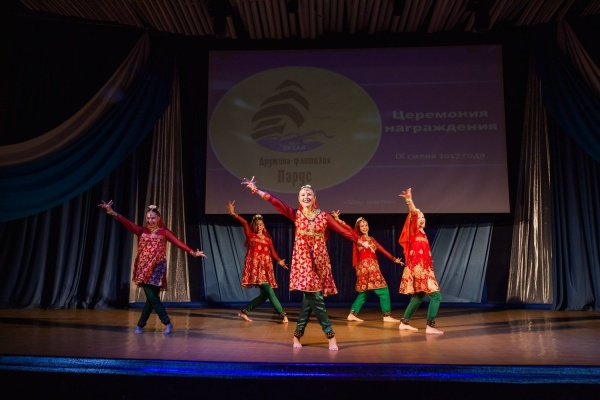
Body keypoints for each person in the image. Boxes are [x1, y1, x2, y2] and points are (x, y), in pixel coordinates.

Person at [241, 177, 368, 351]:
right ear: (299, 199)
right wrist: (257, 190)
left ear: (314, 198)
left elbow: (342, 231)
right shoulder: (296, 214)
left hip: (320, 261)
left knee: (309, 301)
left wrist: (360, 242)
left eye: (309, 194)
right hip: (303, 262)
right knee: (316, 297)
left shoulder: (324, 216)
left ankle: (297, 335)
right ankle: (330, 335)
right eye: (302, 195)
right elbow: (276, 202)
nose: (306, 196)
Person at [98, 200, 206, 334]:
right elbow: (126, 222)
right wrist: (112, 212)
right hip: (144, 269)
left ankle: (141, 325)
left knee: (152, 299)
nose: (150, 220)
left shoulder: (164, 232)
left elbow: (178, 243)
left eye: (153, 218)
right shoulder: (141, 230)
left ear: (158, 218)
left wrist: (193, 252)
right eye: (148, 218)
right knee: (152, 297)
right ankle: (166, 322)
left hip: (158, 269)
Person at [331, 211, 404, 323]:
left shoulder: (372, 240)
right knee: (383, 290)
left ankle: (352, 314)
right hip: (368, 267)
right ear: (359, 228)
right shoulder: (357, 238)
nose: (365, 227)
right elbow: (348, 229)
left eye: (366, 225)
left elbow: (383, 250)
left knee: (364, 292)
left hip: (371, 267)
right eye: (362, 226)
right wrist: (338, 220)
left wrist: (394, 259)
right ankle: (386, 315)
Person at [226, 200, 289, 323]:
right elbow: (244, 223)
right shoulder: (251, 236)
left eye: (260, 224)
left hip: (266, 268)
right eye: (256, 225)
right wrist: (233, 213)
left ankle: (244, 312)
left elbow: (273, 252)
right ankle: (283, 315)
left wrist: (279, 261)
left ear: (263, 225)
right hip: (256, 268)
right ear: (254, 226)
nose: (259, 226)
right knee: (270, 291)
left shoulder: (268, 239)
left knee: (264, 296)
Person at [397, 188, 444, 334]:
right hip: (419, 270)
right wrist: (409, 200)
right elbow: (413, 212)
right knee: (436, 296)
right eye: (419, 217)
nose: (421, 218)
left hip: (425, 269)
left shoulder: (423, 234)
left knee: (418, 296)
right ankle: (430, 326)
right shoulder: (414, 231)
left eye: (423, 216)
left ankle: (404, 322)